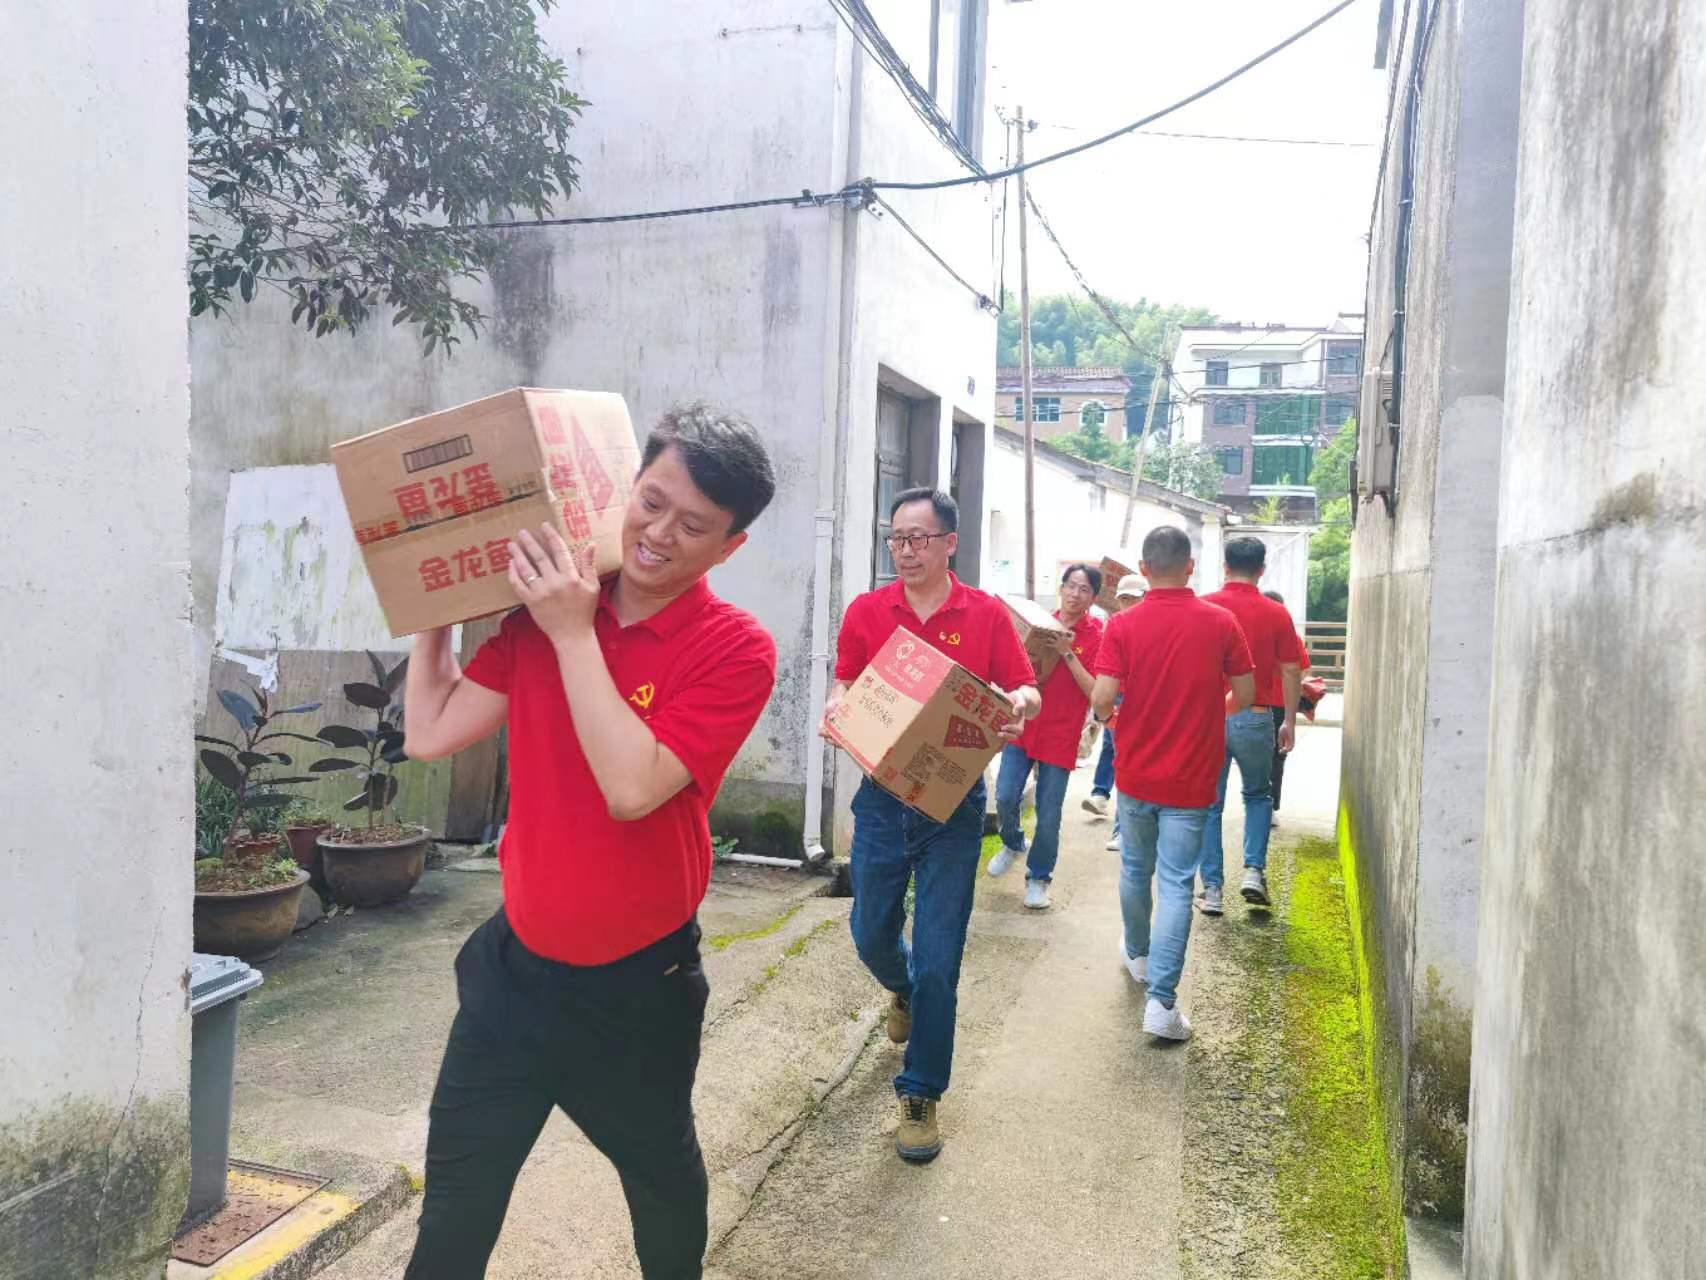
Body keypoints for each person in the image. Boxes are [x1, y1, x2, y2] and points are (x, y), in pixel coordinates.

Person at [399, 405, 778, 1280]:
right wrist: (437, 609)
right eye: (652, 502)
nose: (659, 534)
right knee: (454, 1209)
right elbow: (430, 730)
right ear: (627, 488)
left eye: (694, 526)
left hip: (636, 994)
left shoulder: (733, 649)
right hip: (513, 980)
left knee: (664, 1194)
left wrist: (573, 632)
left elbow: (631, 788)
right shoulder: (545, 611)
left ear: (730, 548)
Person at [824, 488, 1039, 1162]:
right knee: (870, 933)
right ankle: (902, 986)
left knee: (941, 960)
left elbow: (1025, 687)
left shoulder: (984, 614)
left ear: (950, 543)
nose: (905, 550)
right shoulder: (868, 612)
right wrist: (837, 709)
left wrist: (1018, 704)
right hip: (883, 800)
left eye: (918, 538)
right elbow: (846, 682)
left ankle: (920, 1094)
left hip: (953, 806)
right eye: (896, 538)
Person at [1091, 526, 1253, 1041]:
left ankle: (1138, 956)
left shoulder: (1123, 625)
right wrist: (1209, 712)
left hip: (1136, 771)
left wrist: (1114, 720)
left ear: (1143, 570)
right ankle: (1161, 1003)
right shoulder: (1221, 622)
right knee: (1178, 883)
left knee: (1135, 869)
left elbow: (1101, 699)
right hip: (1193, 775)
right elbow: (1246, 693)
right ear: (1190, 567)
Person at [1196, 538, 1303, 914]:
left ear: (1225, 566)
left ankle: (1212, 891)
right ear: (1261, 570)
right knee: (1258, 795)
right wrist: (1288, 721)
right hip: (1257, 715)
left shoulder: (1204, 606)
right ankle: (1254, 872)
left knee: (1209, 803)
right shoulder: (1276, 613)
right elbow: (1292, 669)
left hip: (1210, 718)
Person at [988, 564, 1105, 909]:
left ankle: (1039, 878)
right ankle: (1012, 842)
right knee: (1005, 795)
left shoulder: (1096, 636)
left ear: (1093, 598)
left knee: (1049, 813)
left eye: (1084, 589)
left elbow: (1095, 692)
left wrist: (1067, 652)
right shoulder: (1039, 624)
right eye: (1070, 586)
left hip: (1061, 732)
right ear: (1061, 588)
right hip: (1024, 725)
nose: (1075, 594)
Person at [1083, 575, 1146, 851]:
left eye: (1134, 598)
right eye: (1125, 599)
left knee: (1128, 759)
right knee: (1117, 754)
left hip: (1144, 700)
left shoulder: (1150, 625)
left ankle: (1126, 824)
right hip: (1118, 697)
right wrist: (1103, 712)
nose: (1129, 604)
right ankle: (1114, 816)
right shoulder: (1116, 625)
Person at [1262, 589, 1312, 821]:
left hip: (1251, 701)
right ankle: (1270, 806)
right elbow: (1303, 670)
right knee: (1277, 755)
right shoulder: (1290, 637)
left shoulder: (1249, 632)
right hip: (1280, 704)